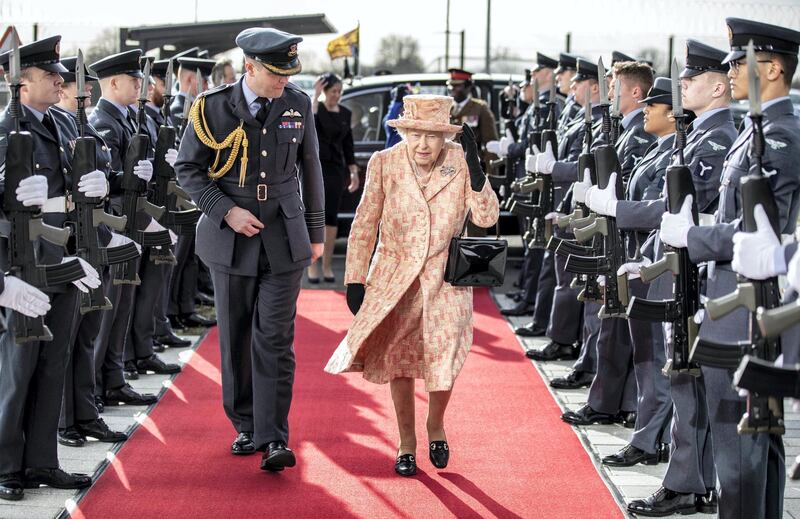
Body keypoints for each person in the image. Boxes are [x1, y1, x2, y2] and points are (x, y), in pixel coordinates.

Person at [660, 18, 800, 518]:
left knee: (739, 442)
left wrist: (690, 236)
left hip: (751, 300)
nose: (732, 70)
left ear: (774, 69)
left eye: (742, 62)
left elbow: (765, 232)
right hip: (732, 291)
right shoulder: (760, 130)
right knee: (760, 442)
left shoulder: (780, 135)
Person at [325, 94, 500, 477]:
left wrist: (477, 168)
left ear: (446, 138)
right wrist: (355, 278)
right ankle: (406, 444)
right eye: (415, 134)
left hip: (445, 279)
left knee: (444, 355)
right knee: (400, 361)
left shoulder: (459, 161)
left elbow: (486, 218)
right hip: (395, 279)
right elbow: (364, 224)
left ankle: (435, 424)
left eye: (433, 136)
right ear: (403, 131)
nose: (423, 144)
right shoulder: (384, 163)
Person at [175, 27, 325, 471]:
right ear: (250, 67)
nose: (283, 80)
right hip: (231, 239)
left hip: (284, 239)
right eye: (275, 73)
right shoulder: (212, 108)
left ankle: (274, 435)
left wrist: (315, 232)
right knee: (237, 338)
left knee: (275, 337)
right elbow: (188, 168)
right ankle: (245, 425)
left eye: (287, 73)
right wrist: (225, 211)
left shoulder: (298, 103)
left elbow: (310, 168)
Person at [0, 35, 102, 499]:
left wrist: (104, 179)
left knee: (52, 364)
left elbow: (85, 183)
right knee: (17, 369)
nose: (60, 81)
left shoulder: (62, 123)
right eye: (49, 75)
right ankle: (6, 467)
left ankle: (42, 460)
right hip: (22, 270)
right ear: (19, 83)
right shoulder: (5, 133)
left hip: (61, 262)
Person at [307, 72, 359, 283]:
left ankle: (327, 266)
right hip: (316, 170)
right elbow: (309, 126)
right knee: (313, 216)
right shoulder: (316, 111)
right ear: (325, 91)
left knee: (331, 217)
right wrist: (315, 95)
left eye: (339, 92)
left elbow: (349, 146)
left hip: (337, 172)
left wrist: (353, 172)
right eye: (332, 91)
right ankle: (312, 266)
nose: (336, 95)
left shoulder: (345, 113)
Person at [383, 83, 410, 149]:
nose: (404, 110)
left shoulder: (410, 121)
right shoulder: (392, 122)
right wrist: (397, 101)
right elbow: (390, 121)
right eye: (403, 107)